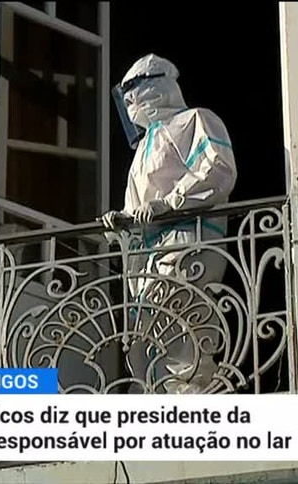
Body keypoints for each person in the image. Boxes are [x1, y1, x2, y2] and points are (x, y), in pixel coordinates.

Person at [100, 54, 238, 394]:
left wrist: (171, 202)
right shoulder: (142, 149)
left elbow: (219, 169)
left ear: (155, 88)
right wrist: (120, 222)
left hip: (187, 239)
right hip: (147, 258)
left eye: (133, 95)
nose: (130, 105)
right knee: (145, 343)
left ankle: (193, 405)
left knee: (182, 334)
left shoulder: (195, 120)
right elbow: (137, 203)